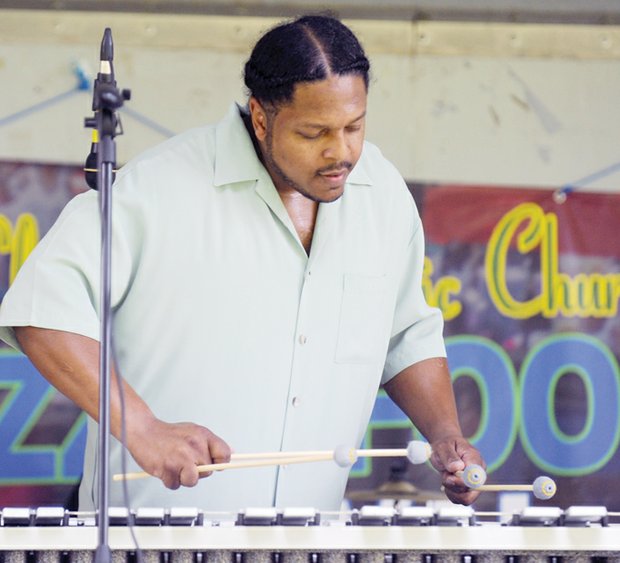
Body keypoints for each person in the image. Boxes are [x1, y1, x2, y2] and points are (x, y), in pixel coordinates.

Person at [0, 14, 483, 512]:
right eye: (314, 132)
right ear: (260, 117)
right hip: (150, 538)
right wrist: (142, 428)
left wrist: (445, 435)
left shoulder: (382, 195)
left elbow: (406, 335)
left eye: (354, 127)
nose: (341, 151)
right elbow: (43, 311)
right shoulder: (159, 188)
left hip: (305, 542)